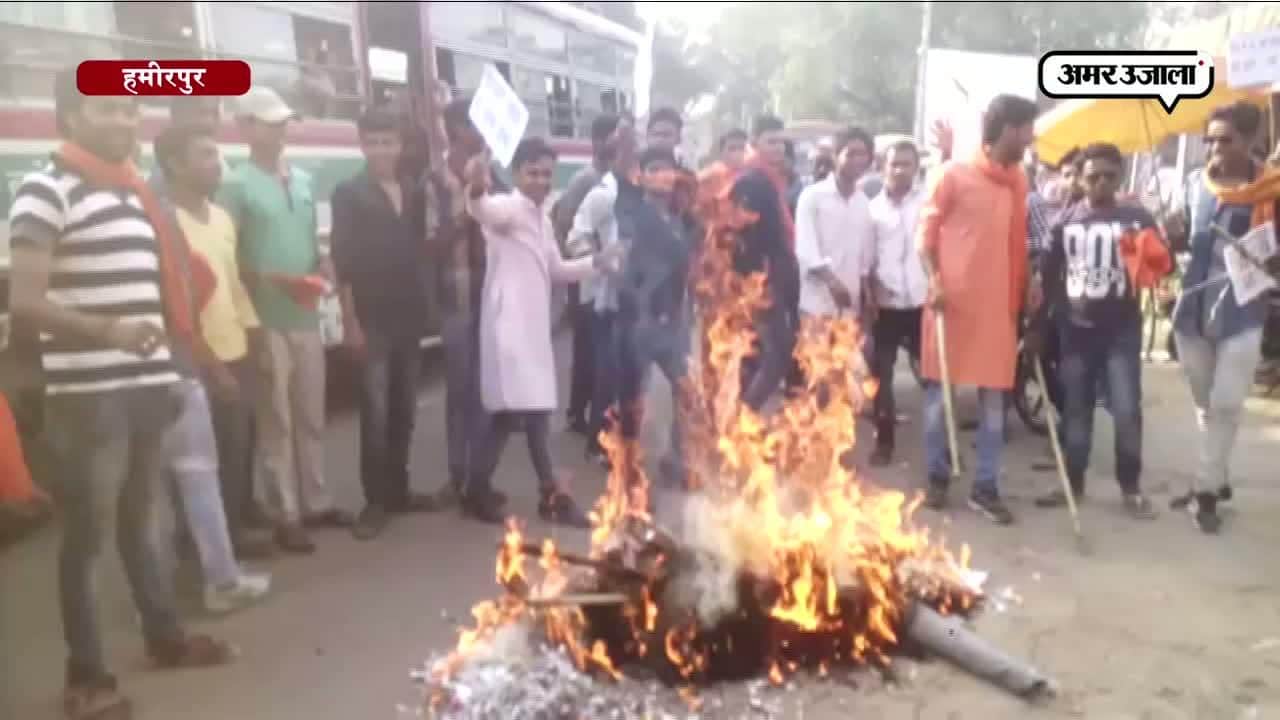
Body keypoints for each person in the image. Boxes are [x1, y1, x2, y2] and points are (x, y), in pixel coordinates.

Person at [8, 68, 234, 720]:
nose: (124, 122)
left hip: (143, 388)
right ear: (70, 117)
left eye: (131, 112)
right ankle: (87, 677)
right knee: (86, 539)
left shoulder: (136, 194)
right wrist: (104, 328)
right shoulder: (44, 192)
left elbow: (156, 296)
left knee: (142, 523)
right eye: (107, 110)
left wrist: (167, 366)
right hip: (87, 397)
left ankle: (163, 637)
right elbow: (25, 302)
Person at [462, 138, 621, 526]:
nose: (540, 180)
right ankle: (553, 495)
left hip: (533, 330)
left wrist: (597, 262)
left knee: (507, 417)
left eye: (547, 174)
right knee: (535, 413)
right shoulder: (509, 209)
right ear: (516, 174)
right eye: (532, 172)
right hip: (509, 331)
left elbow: (556, 269)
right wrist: (477, 184)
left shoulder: (541, 218)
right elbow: (481, 208)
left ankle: (476, 488)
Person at [221, 87, 352, 554]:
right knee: (275, 419)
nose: (278, 131)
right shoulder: (235, 185)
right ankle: (286, 513)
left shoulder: (299, 179)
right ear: (245, 128)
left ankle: (316, 500)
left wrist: (321, 269)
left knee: (310, 414)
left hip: (304, 314)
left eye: (281, 123)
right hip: (264, 318)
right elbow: (226, 255)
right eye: (268, 123)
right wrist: (266, 280)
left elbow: (309, 243)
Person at [154, 123, 275, 613]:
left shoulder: (222, 219)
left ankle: (224, 555)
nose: (216, 163)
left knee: (234, 455)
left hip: (235, 349)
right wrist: (212, 366)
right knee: (195, 471)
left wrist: (254, 337)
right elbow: (178, 306)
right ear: (175, 165)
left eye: (215, 153)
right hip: (197, 359)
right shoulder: (166, 225)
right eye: (204, 154)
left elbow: (233, 285)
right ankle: (198, 570)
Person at [917, 94, 1041, 525]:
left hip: (999, 309)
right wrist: (933, 280)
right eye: (1025, 128)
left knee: (994, 406)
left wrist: (1028, 286)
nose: (1030, 137)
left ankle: (985, 488)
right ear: (1004, 128)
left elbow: (1018, 240)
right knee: (939, 400)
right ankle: (936, 477)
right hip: (949, 305)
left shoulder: (1019, 181)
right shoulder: (952, 174)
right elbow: (925, 237)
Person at [1165, 101, 1278, 533]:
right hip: (1193, 310)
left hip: (1244, 309)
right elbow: (1183, 243)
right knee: (1205, 403)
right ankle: (1219, 474)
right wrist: (1171, 236)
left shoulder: (1271, 190)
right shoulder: (1197, 186)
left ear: (1250, 141)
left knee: (1227, 403)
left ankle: (1206, 490)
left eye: (1224, 140)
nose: (1214, 148)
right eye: (1208, 139)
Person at [1034, 142, 1161, 520]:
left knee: (1125, 410)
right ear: (1081, 180)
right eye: (1093, 177)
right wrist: (1043, 323)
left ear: (1120, 176)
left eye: (1109, 176)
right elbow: (1049, 276)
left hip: (1121, 332)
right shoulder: (1065, 221)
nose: (1101, 183)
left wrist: (1166, 241)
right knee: (1076, 412)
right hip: (1075, 332)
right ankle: (1073, 484)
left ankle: (1131, 487)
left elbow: (1160, 267)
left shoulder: (1137, 218)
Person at [332, 107, 439, 540]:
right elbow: (343, 262)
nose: (381, 150)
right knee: (374, 413)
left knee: (404, 409)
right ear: (361, 145)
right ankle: (375, 501)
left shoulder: (412, 190)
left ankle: (399, 489)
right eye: (372, 142)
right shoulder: (349, 193)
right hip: (372, 317)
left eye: (388, 141)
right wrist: (350, 322)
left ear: (401, 145)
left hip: (408, 316)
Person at [425, 97, 505, 508]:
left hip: (492, 296)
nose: (485, 131)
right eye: (478, 123)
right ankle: (457, 477)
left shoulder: (495, 173)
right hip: (457, 298)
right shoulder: (436, 180)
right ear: (457, 129)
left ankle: (479, 478)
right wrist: (469, 207)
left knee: (488, 389)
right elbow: (430, 245)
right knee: (460, 393)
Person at [615, 145, 694, 491]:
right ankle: (631, 475)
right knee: (635, 401)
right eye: (654, 168)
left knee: (687, 391)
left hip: (671, 323)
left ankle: (673, 460)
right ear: (642, 176)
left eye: (668, 168)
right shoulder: (635, 214)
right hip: (639, 322)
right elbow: (673, 253)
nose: (662, 175)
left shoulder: (678, 218)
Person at [567, 117, 637, 465]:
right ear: (615, 157)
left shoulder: (646, 193)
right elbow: (575, 237)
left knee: (630, 375)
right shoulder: (602, 195)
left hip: (641, 302)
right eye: (626, 153)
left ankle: (622, 440)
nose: (632, 160)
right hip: (606, 301)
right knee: (607, 374)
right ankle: (598, 443)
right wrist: (599, 260)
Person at [553, 114, 622, 436]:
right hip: (586, 277)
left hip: (603, 281)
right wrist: (588, 258)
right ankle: (576, 414)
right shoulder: (587, 180)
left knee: (596, 352)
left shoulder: (620, 179)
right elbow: (566, 223)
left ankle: (587, 414)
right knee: (586, 351)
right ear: (598, 142)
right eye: (614, 136)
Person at [732, 114, 801, 412]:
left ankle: (742, 419)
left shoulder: (771, 179)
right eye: (770, 141)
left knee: (766, 354)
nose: (778, 148)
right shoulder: (752, 181)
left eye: (780, 141)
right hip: (762, 282)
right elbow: (743, 239)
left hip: (775, 277)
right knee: (777, 353)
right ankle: (742, 418)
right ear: (755, 143)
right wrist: (760, 281)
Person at [867, 139, 928, 466]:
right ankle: (884, 441)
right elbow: (867, 259)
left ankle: (939, 445)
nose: (901, 169)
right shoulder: (871, 211)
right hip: (886, 307)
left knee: (934, 378)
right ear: (883, 167)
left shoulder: (928, 203)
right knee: (881, 377)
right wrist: (871, 292)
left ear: (917, 168)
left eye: (907, 163)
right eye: (895, 164)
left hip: (922, 304)